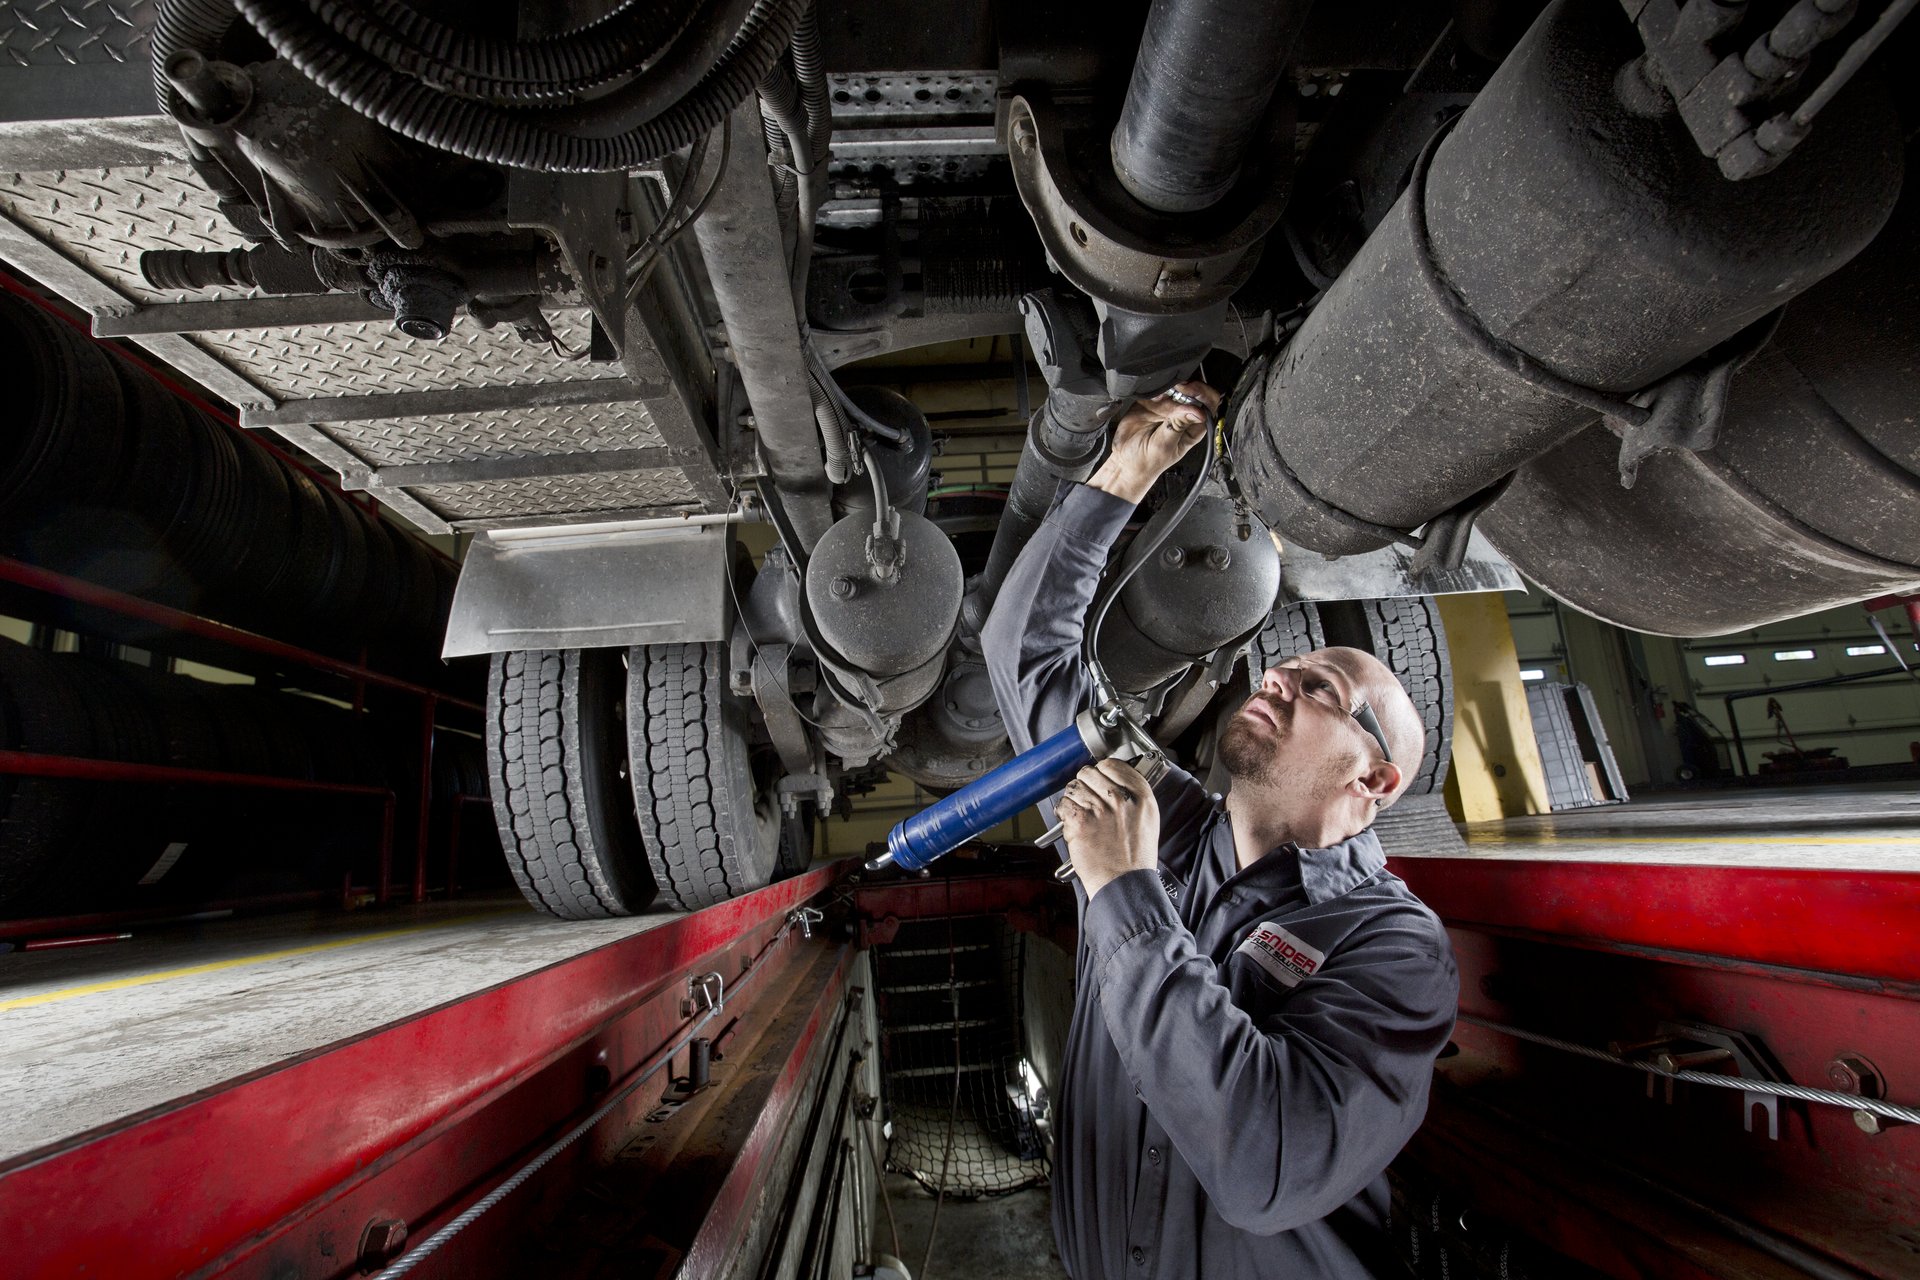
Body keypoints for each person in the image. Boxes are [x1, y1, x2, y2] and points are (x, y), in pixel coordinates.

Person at [981, 381, 1460, 1279]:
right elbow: (1028, 656)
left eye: (1321, 690)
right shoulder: (1154, 822)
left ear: (1376, 778)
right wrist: (1124, 474)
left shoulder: (1396, 946)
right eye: (1285, 668)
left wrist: (1126, 895)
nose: (1278, 678)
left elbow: (1262, 1168)